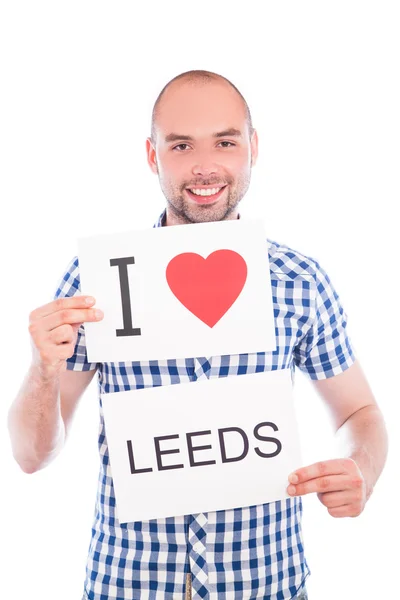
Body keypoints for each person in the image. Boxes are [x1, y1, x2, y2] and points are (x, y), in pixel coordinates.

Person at [8, 70, 388, 600]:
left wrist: (361, 471)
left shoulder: (301, 282)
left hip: (267, 584)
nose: (204, 166)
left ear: (252, 148)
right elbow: (32, 456)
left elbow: (359, 414)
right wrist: (42, 370)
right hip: (130, 584)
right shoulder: (96, 283)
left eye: (225, 142)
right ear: (152, 155)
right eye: (181, 145)